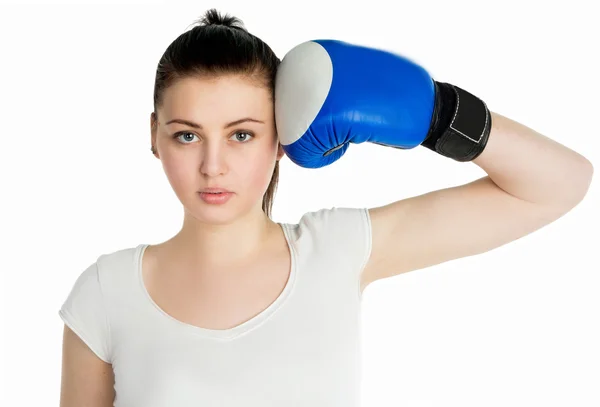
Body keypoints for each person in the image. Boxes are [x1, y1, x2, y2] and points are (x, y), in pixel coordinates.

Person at [58, 8, 594, 407]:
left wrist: (437, 113)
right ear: (155, 135)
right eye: (187, 135)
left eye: (242, 134)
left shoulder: (337, 251)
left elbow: (559, 184)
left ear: (282, 136)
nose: (213, 165)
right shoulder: (106, 292)